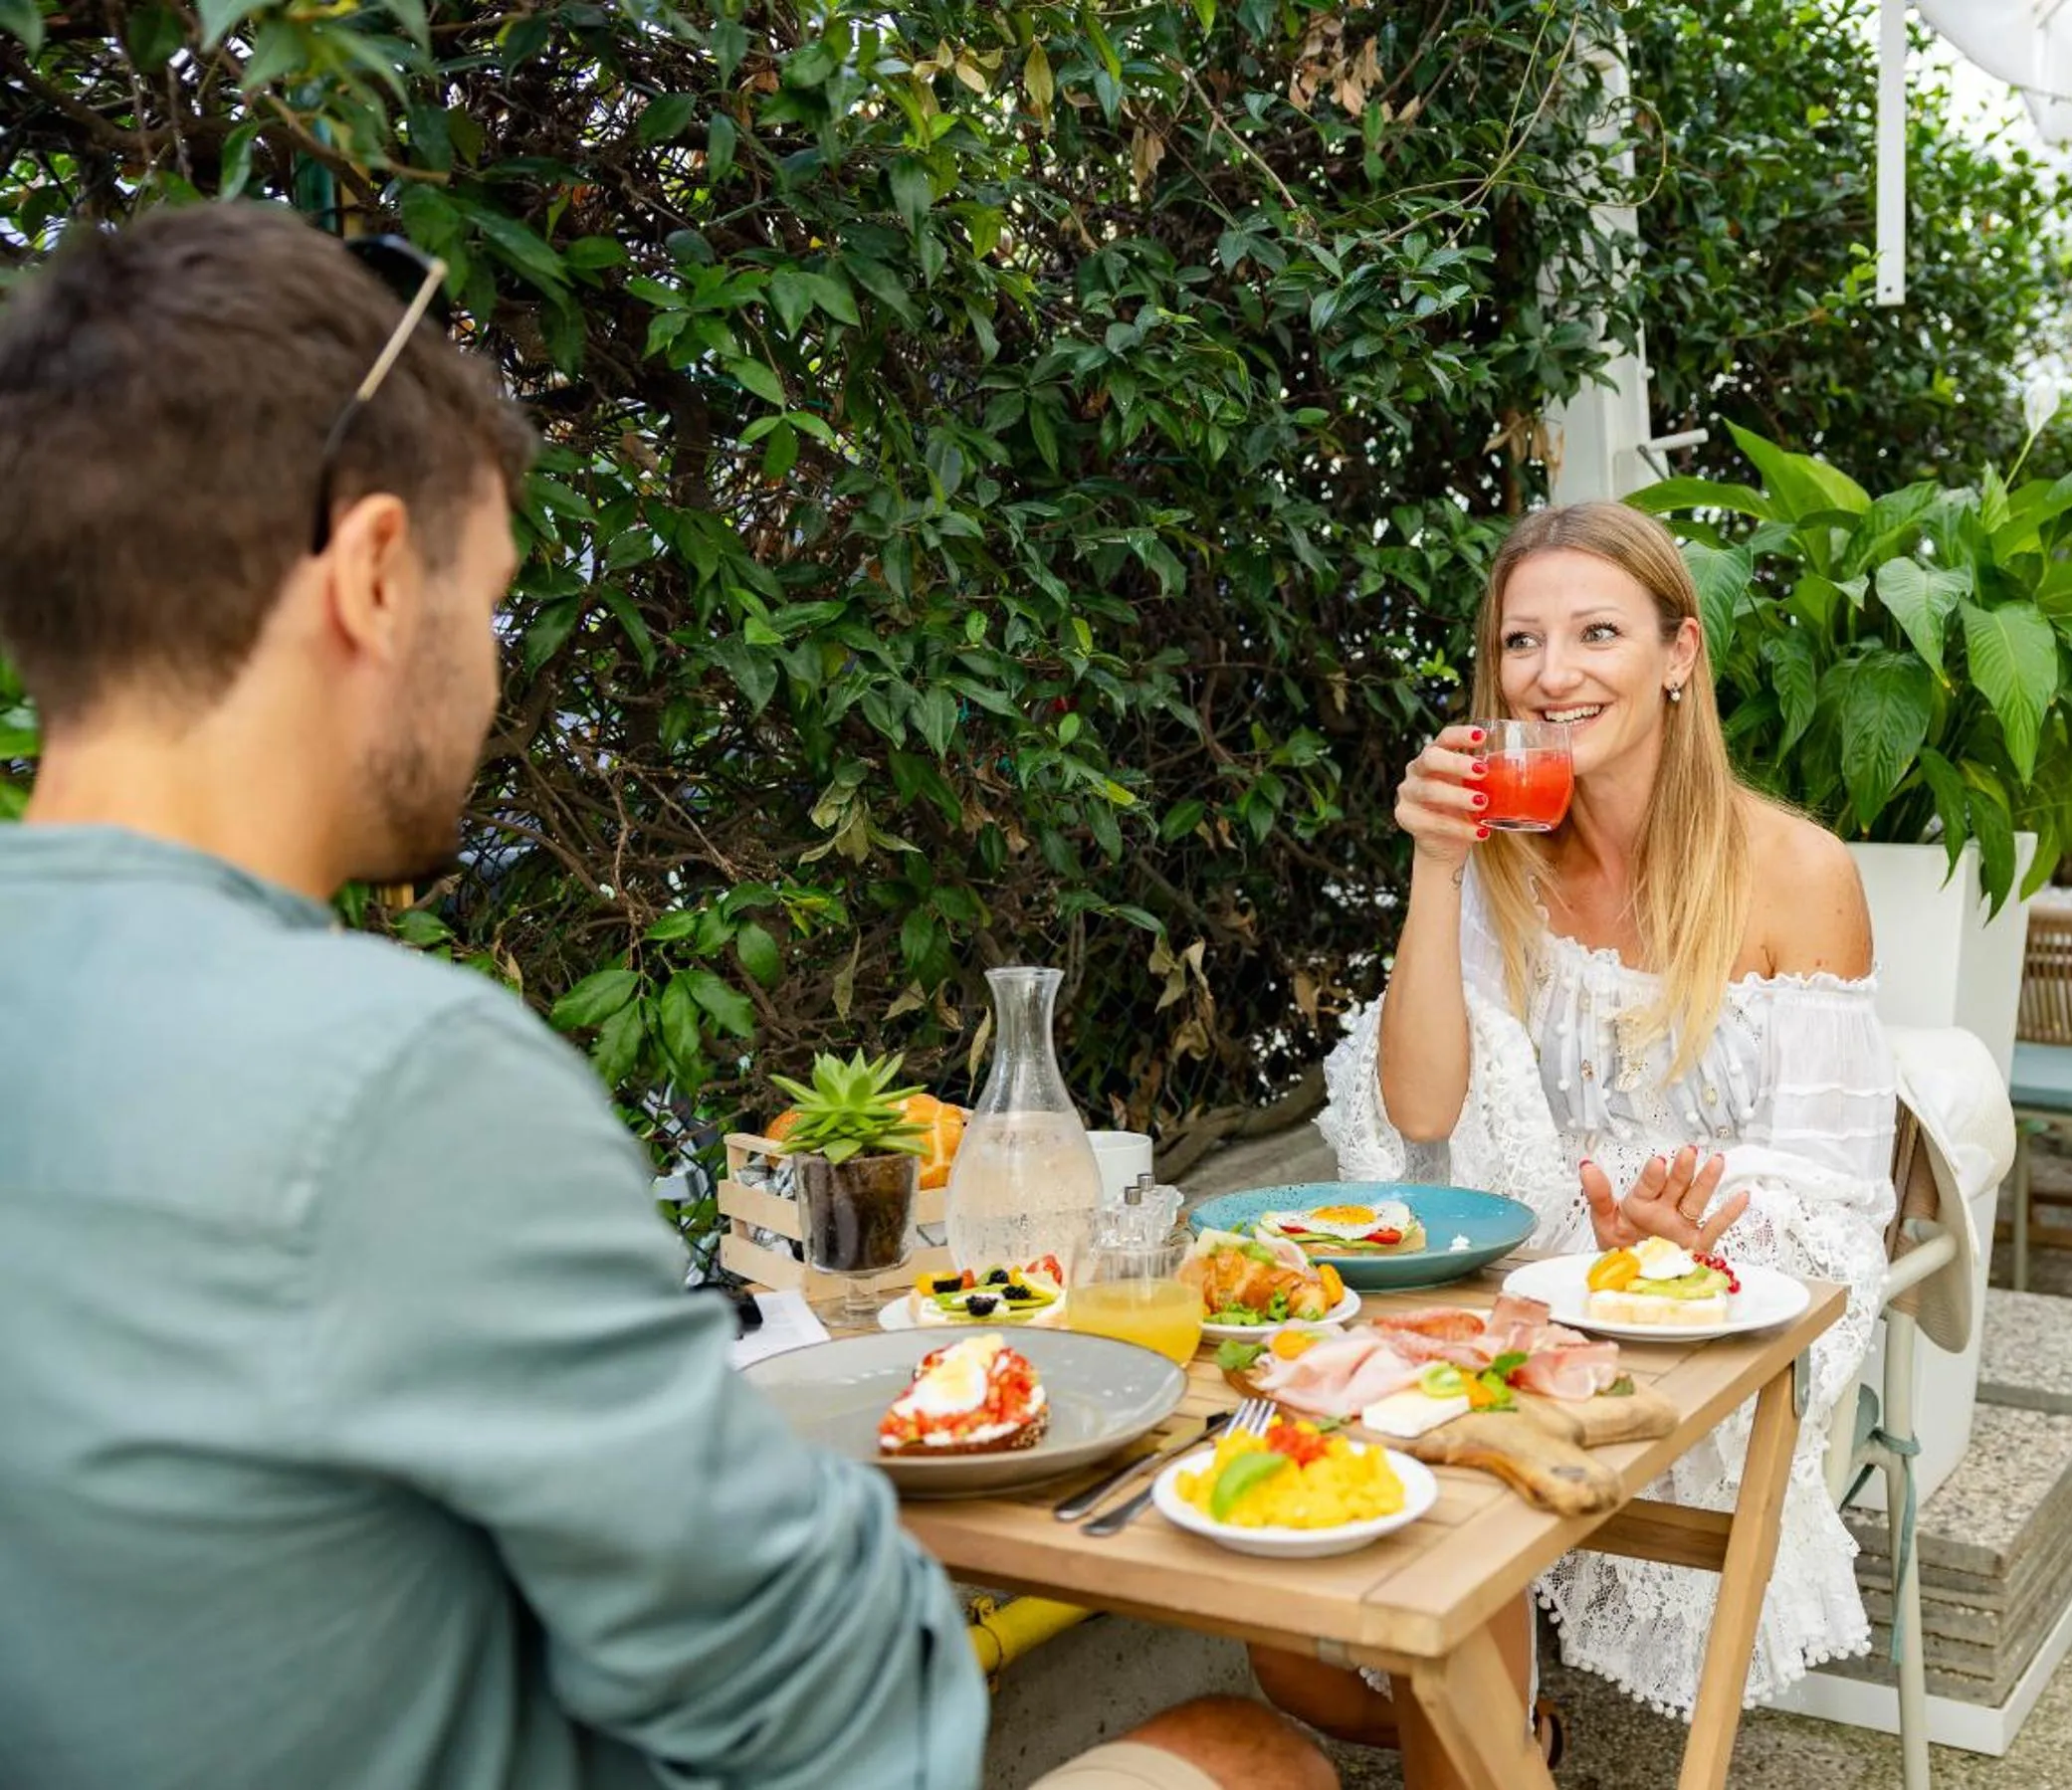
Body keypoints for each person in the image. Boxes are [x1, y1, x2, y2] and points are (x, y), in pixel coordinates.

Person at [0, 202, 1331, 1790]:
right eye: (484, 601)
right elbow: (839, 1712)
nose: (490, 674)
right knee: (1249, 1752)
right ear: (368, 574)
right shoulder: (393, 1082)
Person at [1259, 500, 1899, 1761]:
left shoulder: (1796, 871)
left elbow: (1834, 1198)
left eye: (1595, 632)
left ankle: (1493, 1740)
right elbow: (1425, 1113)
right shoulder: (1497, 860)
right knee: (1283, 1627)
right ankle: (1506, 1732)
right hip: (1516, 1281)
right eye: (1518, 642)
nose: (1550, 673)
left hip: (1713, 1312)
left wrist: (1667, 1254)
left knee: (1451, 1527)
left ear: (1677, 654)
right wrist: (1435, 869)